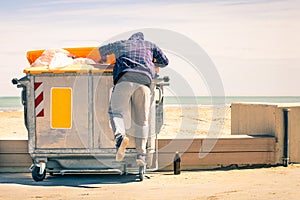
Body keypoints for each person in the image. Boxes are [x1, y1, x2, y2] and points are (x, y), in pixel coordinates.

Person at [98, 32, 169, 166]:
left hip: (125, 80)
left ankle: (120, 138)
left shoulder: (121, 43)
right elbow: (165, 61)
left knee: (116, 112)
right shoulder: (150, 45)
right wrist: (152, 63)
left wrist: (104, 59)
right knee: (142, 120)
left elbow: (102, 49)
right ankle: (141, 156)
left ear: (131, 39)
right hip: (144, 82)